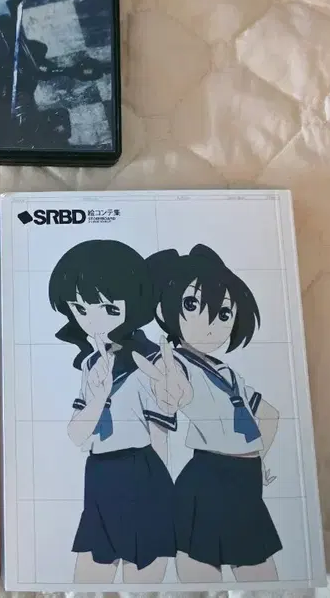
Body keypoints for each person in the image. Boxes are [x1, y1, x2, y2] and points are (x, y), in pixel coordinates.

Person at [134, 245, 282, 583]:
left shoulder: (227, 372)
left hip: (244, 480)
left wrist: (258, 458)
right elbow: (172, 398)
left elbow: (270, 415)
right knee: (202, 574)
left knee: (261, 575)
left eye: (224, 313)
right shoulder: (175, 364)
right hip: (208, 478)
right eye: (192, 306)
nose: (211, 323)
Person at [48, 240, 176, 584]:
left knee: (141, 577)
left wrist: (163, 499)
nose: (93, 320)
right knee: (88, 576)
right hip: (99, 473)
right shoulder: (91, 364)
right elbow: (77, 434)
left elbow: (161, 433)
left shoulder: (152, 361)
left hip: (142, 472)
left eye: (107, 308)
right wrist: (98, 396)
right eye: (80, 308)